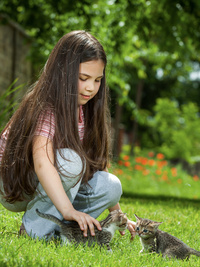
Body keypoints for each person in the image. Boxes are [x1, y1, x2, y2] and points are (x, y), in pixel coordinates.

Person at [0, 30, 136, 240]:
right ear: (63, 73)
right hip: (16, 185)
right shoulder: (47, 107)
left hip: (51, 181)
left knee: (111, 185)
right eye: (83, 78)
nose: (91, 88)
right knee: (72, 162)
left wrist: (117, 214)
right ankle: (34, 231)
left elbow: (98, 164)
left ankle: (61, 232)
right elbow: (42, 163)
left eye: (97, 80)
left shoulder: (88, 108)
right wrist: (68, 210)